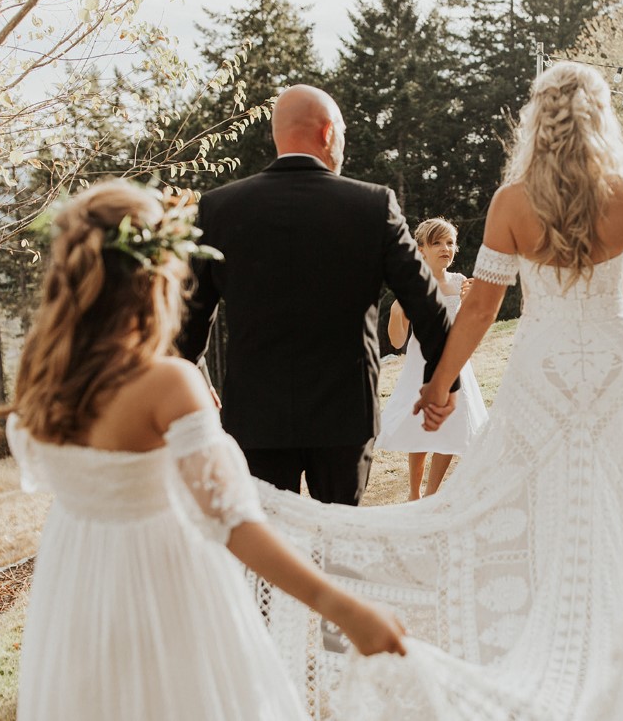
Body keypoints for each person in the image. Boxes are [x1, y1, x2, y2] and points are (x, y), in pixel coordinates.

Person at [252, 61, 623, 720]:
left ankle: (551, 632)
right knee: (610, 495)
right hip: (611, 367)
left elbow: (478, 311)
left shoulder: (511, 201)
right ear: (599, 117)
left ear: (538, 119)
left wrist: (438, 383)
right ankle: (611, 647)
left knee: (539, 499)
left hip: (542, 371)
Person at [4, 180, 407, 721]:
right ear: (160, 272)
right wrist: (344, 607)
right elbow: (235, 523)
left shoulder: (41, 376)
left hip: (76, 583)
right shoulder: (166, 381)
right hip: (164, 583)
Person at [176, 84, 455, 506]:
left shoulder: (220, 208)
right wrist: (442, 384)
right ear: (327, 133)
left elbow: (189, 316)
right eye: (342, 133)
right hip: (344, 416)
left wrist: (196, 373)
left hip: (255, 418)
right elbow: (427, 304)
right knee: (339, 545)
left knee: (267, 551)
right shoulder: (373, 206)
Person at [377, 218, 489, 500]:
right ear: (421, 249)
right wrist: (398, 310)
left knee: (454, 425)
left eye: (450, 243)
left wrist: (472, 301)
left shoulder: (461, 283)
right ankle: (414, 494)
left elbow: (467, 330)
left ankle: (432, 495)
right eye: (436, 242)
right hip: (421, 364)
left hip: (456, 366)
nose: (445, 248)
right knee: (420, 427)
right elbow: (397, 341)